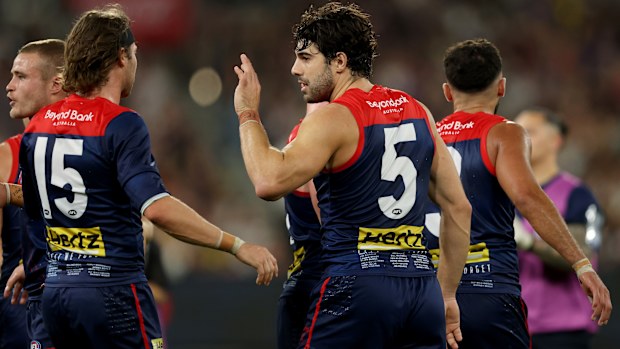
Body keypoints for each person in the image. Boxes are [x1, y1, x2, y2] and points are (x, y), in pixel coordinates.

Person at [14, 4, 278, 349]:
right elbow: (156, 208)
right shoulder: (122, 123)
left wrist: (33, 270)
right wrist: (236, 244)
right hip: (113, 295)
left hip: (56, 294)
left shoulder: (37, 125)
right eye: (135, 53)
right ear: (121, 57)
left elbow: (35, 217)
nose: (136, 62)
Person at [233, 3, 471, 349]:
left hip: (357, 287)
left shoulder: (334, 118)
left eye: (306, 57)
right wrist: (447, 293)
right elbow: (458, 207)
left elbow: (268, 181)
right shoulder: (417, 109)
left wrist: (248, 113)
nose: (294, 68)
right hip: (423, 294)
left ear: (339, 61)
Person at [423, 38, 611, 349]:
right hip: (489, 291)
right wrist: (582, 264)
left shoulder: (425, 136)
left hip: (431, 295)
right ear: (502, 87)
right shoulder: (503, 132)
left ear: (447, 90)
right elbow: (526, 197)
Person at [514, 108, 604, 349]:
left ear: (556, 141)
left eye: (530, 131)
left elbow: (584, 253)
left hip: (561, 329)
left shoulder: (577, 195)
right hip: (513, 326)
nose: (520, 137)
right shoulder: (505, 194)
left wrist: (530, 243)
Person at [2, 38, 68, 349]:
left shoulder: (87, 147)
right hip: (16, 307)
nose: (9, 87)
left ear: (57, 84)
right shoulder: (7, 156)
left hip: (73, 297)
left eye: (21, 77)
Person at [277, 102, 325, 349]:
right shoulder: (316, 136)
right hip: (317, 288)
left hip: (307, 284)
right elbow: (328, 221)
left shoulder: (306, 133)